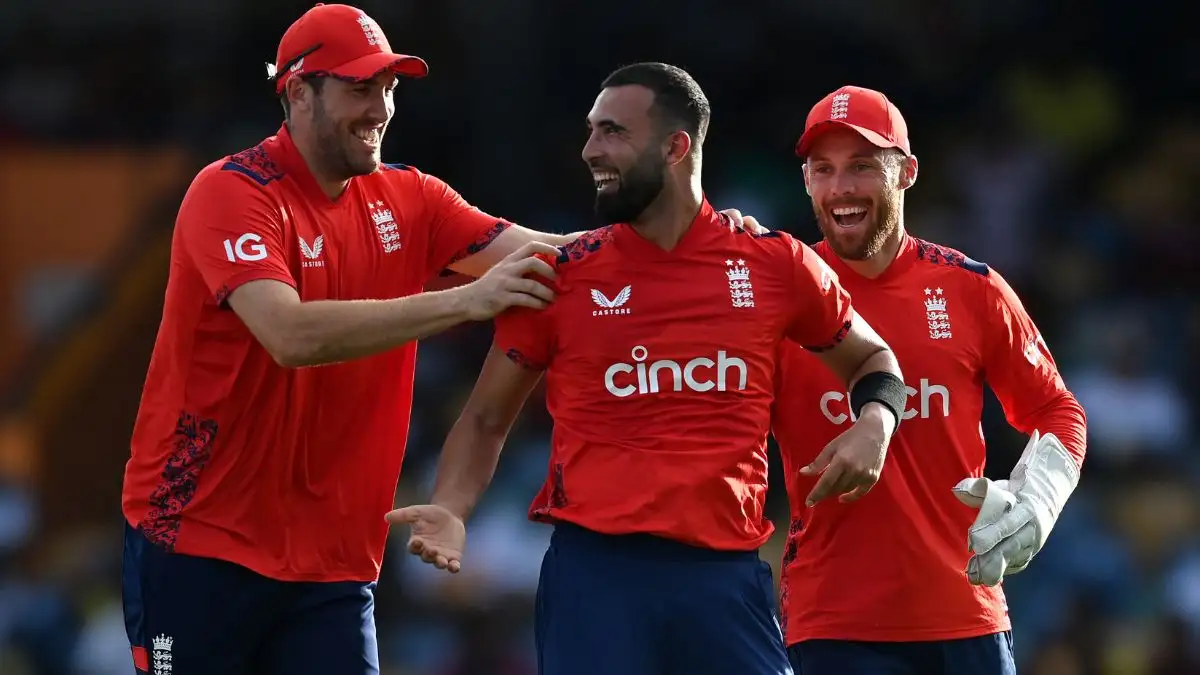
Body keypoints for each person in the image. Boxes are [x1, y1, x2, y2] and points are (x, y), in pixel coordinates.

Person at [118, 5, 763, 675]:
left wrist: (701, 239)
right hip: (197, 543)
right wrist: (464, 299)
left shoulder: (413, 198)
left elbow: (569, 260)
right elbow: (288, 332)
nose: (381, 108)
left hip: (331, 565)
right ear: (296, 92)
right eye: (359, 88)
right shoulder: (231, 193)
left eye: (389, 87)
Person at [388, 63, 909, 675]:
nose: (590, 150)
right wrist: (451, 508)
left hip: (725, 579)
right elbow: (484, 418)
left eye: (612, 133)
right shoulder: (562, 276)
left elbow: (874, 360)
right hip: (596, 581)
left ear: (675, 146)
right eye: (590, 132)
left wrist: (875, 424)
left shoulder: (775, 265)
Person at [771, 85, 1088, 675]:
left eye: (863, 166)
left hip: (967, 616)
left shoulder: (972, 289)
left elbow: (1056, 410)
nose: (841, 187)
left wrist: (1038, 499)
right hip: (833, 624)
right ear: (807, 181)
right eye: (824, 169)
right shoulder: (778, 297)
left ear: (908, 172)